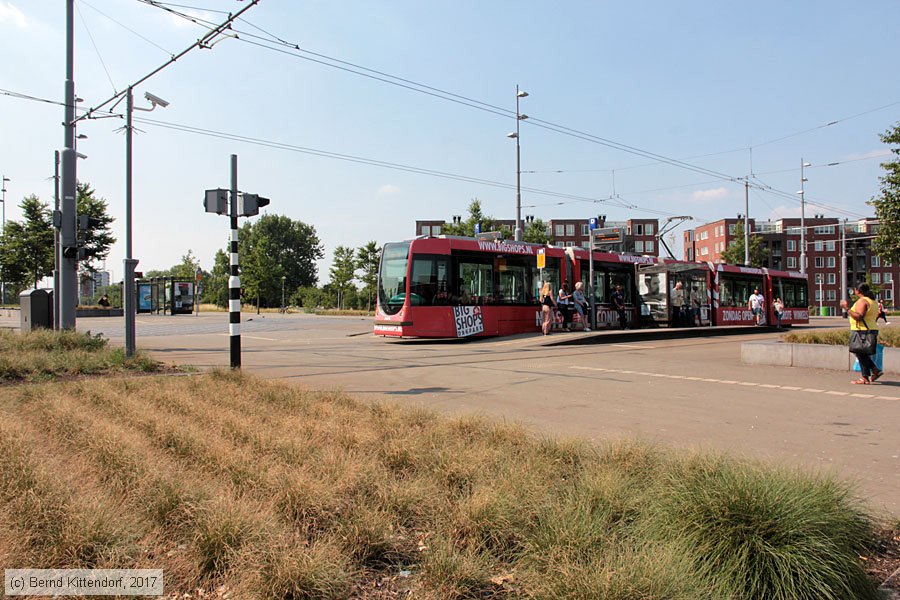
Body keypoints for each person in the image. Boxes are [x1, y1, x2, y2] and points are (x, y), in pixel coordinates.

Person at [840, 283, 882, 385]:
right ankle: (875, 371)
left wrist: (847, 308)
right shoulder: (873, 301)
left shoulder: (862, 301)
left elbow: (859, 316)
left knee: (859, 352)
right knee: (861, 353)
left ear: (857, 290)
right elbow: (874, 316)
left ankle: (865, 378)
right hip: (871, 329)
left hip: (862, 331)